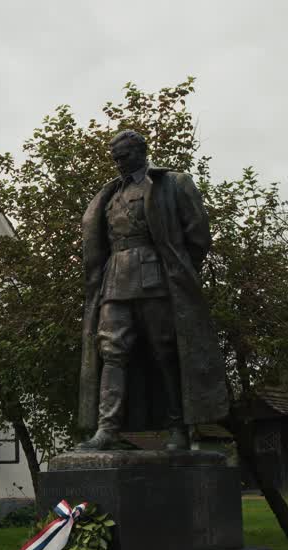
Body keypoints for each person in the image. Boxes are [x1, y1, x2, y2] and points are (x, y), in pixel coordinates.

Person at [76, 129, 229, 451]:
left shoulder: (172, 183)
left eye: (124, 156)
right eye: (115, 158)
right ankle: (107, 429)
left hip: (156, 279)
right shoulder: (110, 193)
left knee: (166, 352)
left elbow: (198, 235)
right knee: (111, 351)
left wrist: (178, 270)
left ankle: (178, 426)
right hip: (114, 280)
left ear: (142, 152)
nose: (119, 163)